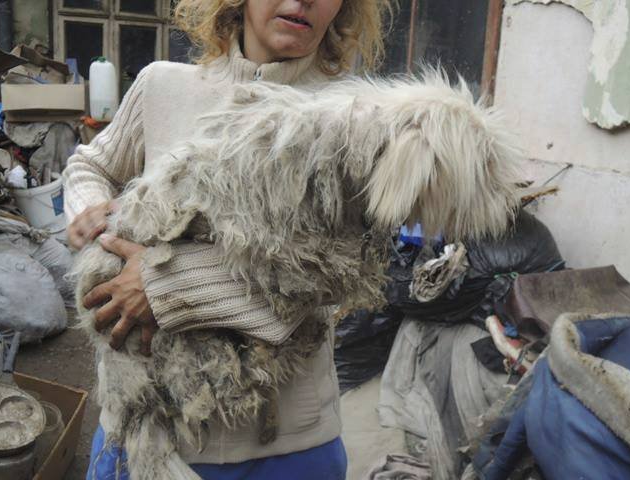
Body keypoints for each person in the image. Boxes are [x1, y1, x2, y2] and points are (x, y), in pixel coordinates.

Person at [64, 1, 390, 478]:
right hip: (145, 429)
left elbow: (340, 267)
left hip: (285, 448)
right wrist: (91, 211)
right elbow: (90, 163)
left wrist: (164, 285)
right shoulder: (163, 86)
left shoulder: (353, 120)